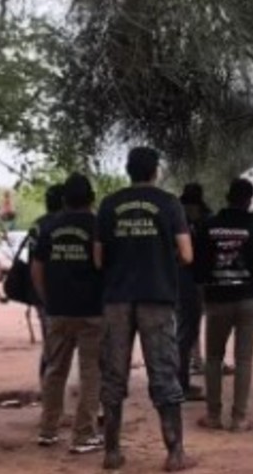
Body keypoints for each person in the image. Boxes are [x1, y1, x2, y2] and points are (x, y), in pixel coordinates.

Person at [95, 147, 197, 471]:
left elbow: (98, 259)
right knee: (164, 371)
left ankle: (112, 452)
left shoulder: (108, 205)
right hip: (157, 296)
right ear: (155, 171)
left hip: (116, 299)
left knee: (113, 374)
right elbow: (187, 254)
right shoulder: (169, 203)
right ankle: (175, 453)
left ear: (128, 170)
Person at [31, 174, 105, 454]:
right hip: (92, 311)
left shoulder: (50, 226)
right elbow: (103, 264)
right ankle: (83, 435)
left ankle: (47, 430)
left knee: (55, 370)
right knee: (91, 373)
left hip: (58, 311)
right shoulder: (98, 226)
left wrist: (48, 300)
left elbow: (37, 268)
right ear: (92, 198)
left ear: (64, 200)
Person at [195, 178, 253, 432]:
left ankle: (213, 415)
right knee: (244, 360)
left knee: (213, 358)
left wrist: (204, 294)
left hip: (217, 300)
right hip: (250, 301)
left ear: (227, 197)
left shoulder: (208, 227)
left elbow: (198, 268)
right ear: (249, 201)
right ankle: (239, 419)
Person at [176, 183, 210, 402]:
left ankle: (182, 382)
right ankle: (180, 385)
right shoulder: (199, 218)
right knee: (185, 333)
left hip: (184, 279)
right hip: (188, 281)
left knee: (186, 332)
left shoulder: (176, 214)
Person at [31, 184, 66, 384]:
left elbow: (33, 262)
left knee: (51, 341)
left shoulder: (37, 225)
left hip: (41, 291)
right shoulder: (60, 224)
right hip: (60, 292)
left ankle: (47, 384)